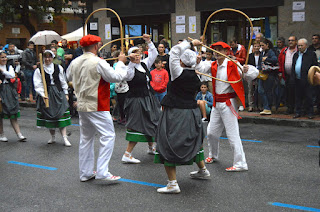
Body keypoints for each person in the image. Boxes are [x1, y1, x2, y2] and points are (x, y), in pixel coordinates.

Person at [67, 34, 132, 182]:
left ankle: (85, 172)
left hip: (82, 104)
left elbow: (68, 77)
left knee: (86, 139)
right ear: (96, 46)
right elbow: (115, 77)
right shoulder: (98, 62)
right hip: (98, 104)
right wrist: (121, 63)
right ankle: (102, 171)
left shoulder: (75, 62)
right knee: (108, 136)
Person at [155, 40, 210, 194]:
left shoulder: (177, 71)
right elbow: (193, 63)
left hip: (176, 112)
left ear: (181, 61)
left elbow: (173, 51)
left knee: (167, 142)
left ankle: (172, 184)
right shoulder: (196, 72)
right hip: (192, 112)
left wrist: (189, 42)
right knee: (193, 139)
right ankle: (203, 170)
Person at [205, 41, 258, 170]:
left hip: (229, 103)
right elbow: (199, 68)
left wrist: (247, 69)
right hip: (217, 104)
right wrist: (195, 61)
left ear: (226, 52)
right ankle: (213, 155)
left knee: (232, 134)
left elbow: (252, 75)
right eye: (215, 50)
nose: (216, 52)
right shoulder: (212, 65)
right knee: (211, 132)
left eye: (219, 50)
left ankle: (241, 163)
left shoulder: (233, 64)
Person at [121, 34, 160, 164]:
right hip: (136, 100)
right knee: (137, 125)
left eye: (138, 53)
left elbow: (153, 54)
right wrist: (131, 62)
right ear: (130, 56)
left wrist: (148, 41)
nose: (137, 55)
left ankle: (151, 147)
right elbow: (127, 77)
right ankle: (127, 154)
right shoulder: (129, 68)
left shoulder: (144, 64)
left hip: (148, 97)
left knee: (153, 120)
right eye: (134, 54)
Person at [33, 50, 71, 147]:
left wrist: (66, 93)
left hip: (58, 93)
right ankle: (53, 137)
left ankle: (65, 138)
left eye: (49, 57)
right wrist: (42, 94)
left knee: (61, 115)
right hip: (46, 94)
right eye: (45, 57)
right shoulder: (39, 70)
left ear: (53, 58)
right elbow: (38, 84)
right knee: (49, 115)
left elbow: (63, 81)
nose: (47, 59)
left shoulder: (58, 67)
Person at [0, 51, 26, 142]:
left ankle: (19, 134)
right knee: (1, 113)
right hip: (1, 90)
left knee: (13, 112)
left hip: (9, 90)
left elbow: (11, 75)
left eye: (5, 57)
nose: (4, 59)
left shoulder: (9, 66)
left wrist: (2, 71)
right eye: (2, 57)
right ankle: (2, 134)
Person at [292, 38, 318, 119]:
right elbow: (293, 67)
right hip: (297, 79)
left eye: (301, 45)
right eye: (298, 45)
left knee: (309, 97)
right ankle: (298, 112)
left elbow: (315, 66)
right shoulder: (296, 55)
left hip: (307, 80)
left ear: (306, 45)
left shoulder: (311, 54)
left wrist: (312, 77)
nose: (299, 47)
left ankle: (310, 113)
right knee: (298, 97)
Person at [258, 38, 278, 115]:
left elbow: (275, 59)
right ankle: (267, 107)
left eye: (263, 45)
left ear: (267, 45)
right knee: (261, 90)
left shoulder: (270, 52)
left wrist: (266, 59)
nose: (261, 47)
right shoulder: (262, 53)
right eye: (260, 45)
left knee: (268, 91)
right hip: (262, 74)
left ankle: (267, 107)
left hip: (269, 74)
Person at [279, 36, 298, 115]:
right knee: (288, 93)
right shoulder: (284, 50)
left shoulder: (298, 50)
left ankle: (298, 109)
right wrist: (280, 72)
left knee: (296, 92)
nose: (290, 42)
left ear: (296, 41)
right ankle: (290, 108)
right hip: (286, 75)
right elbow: (280, 61)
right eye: (289, 40)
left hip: (297, 75)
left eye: (292, 40)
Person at [247, 41, 262, 112]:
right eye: (255, 46)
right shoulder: (250, 56)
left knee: (259, 90)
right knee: (250, 90)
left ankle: (259, 105)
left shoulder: (262, 55)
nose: (256, 48)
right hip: (251, 74)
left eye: (258, 46)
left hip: (259, 74)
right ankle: (251, 106)